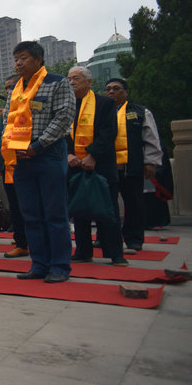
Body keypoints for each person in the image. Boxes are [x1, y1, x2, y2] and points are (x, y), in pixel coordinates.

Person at [2, 41, 76, 283]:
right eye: (16, 59)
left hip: (48, 153)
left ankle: (60, 266)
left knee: (54, 213)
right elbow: (7, 121)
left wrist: (38, 146)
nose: (18, 63)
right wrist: (11, 149)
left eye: (23, 58)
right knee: (31, 214)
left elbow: (64, 117)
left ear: (38, 59)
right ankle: (39, 263)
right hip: (21, 157)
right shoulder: (16, 89)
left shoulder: (57, 82)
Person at [66, 67, 128, 266]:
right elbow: (61, 132)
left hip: (101, 165)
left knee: (107, 209)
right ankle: (84, 250)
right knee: (79, 210)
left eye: (76, 78)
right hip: (74, 164)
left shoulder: (105, 103)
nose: (72, 82)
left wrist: (92, 155)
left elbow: (109, 132)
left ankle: (115, 253)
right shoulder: (66, 105)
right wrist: (68, 154)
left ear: (89, 82)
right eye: (69, 79)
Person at [104, 78, 163, 254]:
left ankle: (134, 238)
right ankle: (107, 237)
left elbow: (151, 138)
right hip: (107, 166)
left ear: (126, 92)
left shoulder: (139, 111)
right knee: (106, 204)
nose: (112, 92)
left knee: (135, 203)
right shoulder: (100, 111)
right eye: (108, 89)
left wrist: (151, 161)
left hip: (132, 165)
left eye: (116, 89)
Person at [0, 74, 29, 258]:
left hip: (26, 158)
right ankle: (21, 241)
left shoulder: (28, 106)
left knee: (28, 205)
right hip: (8, 162)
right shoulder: (6, 111)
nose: (9, 90)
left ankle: (29, 240)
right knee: (15, 205)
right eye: (7, 88)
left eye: (12, 86)